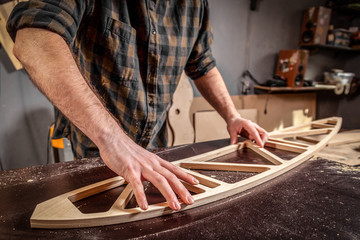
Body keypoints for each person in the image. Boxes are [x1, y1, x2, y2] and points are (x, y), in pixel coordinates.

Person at [7, 0, 268, 211]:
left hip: (156, 146)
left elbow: (202, 65)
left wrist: (233, 116)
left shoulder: (195, 5)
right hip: (99, 149)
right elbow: (33, 38)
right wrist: (113, 139)